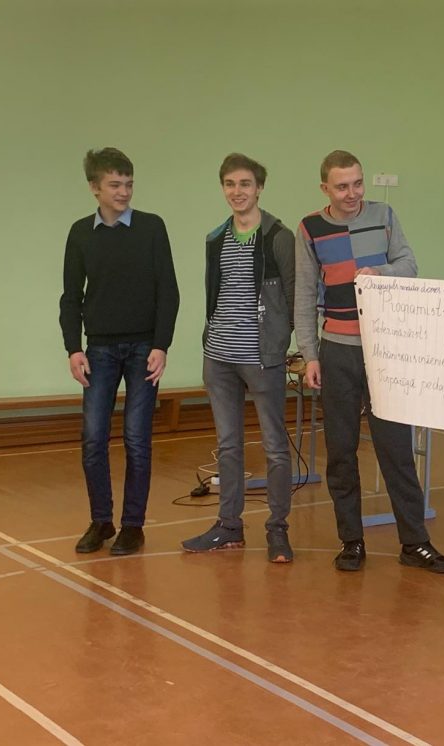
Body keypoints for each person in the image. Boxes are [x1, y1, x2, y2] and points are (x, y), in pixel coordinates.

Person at [294, 149, 444, 573]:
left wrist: (381, 273)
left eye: (358, 183)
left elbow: (409, 264)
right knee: (341, 451)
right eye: (342, 186)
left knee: (396, 449)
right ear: (325, 188)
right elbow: (304, 295)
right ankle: (351, 541)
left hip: (386, 351)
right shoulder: (309, 229)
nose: (352, 193)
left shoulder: (384, 215)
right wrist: (310, 354)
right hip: (336, 352)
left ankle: (415, 542)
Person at [59, 147, 180, 556]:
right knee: (93, 438)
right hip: (99, 350)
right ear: (94, 188)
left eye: (128, 184)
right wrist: (73, 348)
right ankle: (101, 520)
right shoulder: (80, 233)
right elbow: (71, 297)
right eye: (114, 185)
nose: (124, 191)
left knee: (136, 439)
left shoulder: (151, 227)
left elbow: (168, 291)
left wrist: (161, 344)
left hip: (144, 348)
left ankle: (133, 525)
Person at [180, 153, 297, 562]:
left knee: (275, 447)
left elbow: (294, 295)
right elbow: (215, 295)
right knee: (228, 446)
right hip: (219, 358)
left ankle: (278, 530)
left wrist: (283, 344)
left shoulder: (279, 237)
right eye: (230, 184)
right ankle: (229, 526)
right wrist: (210, 340)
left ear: (259, 188)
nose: (237, 191)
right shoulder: (215, 238)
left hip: (262, 358)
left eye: (245, 183)